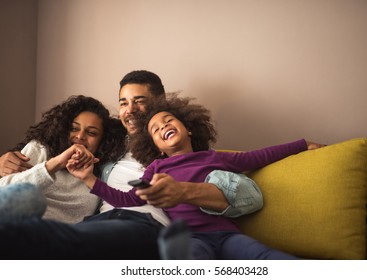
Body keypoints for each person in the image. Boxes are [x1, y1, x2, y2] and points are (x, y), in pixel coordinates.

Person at [0, 70, 262, 259]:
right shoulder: (108, 144)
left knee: (63, 240)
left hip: (144, 224)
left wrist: (184, 191)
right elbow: (65, 151)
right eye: (124, 102)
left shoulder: (179, 149)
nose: (129, 109)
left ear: (160, 105)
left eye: (140, 101)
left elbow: (250, 196)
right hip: (102, 222)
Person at [68, 94, 325, 259]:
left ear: (188, 129)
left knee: (266, 257)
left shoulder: (214, 157)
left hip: (227, 235)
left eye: (168, 121)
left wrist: (303, 144)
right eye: (156, 130)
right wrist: (88, 178)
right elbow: (127, 199)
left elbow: (260, 156)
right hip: (190, 239)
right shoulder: (156, 168)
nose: (164, 127)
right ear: (156, 146)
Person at [0, 95, 127, 223]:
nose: (80, 136)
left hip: (59, 238)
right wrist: (57, 163)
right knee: (32, 197)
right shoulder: (40, 149)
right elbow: (4, 191)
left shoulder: (98, 173)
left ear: (102, 140)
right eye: (74, 129)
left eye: (91, 133)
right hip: (15, 225)